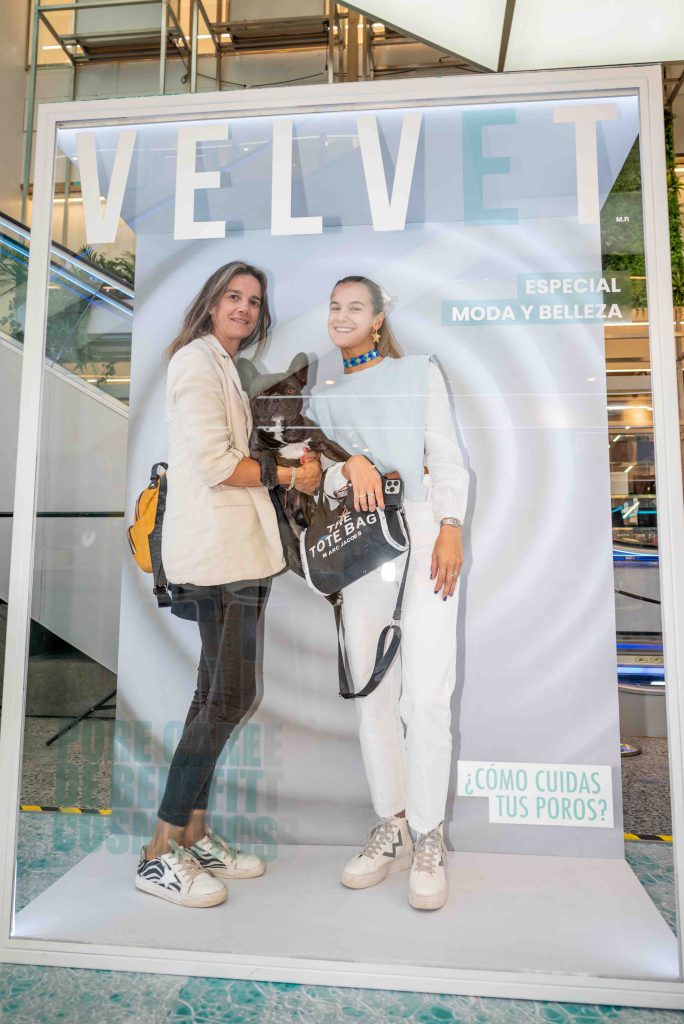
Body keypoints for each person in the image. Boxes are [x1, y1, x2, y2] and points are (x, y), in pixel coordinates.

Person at [135, 261, 321, 908]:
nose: (243, 307)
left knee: (214, 695)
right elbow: (218, 465)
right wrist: (288, 475)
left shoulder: (220, 364)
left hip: (239, 555)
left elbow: (228, 452)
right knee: (229, 696)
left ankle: (192, 831)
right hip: (219, 560)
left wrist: (284, 462)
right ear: (210, 304)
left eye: (253, 300)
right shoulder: (194, 363)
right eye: (233, 297)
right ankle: (160, 851)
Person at [307, 275, 469, 911]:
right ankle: (392, 824)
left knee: (427, 693)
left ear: (378, 320)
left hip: (426, 534)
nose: (342, 316)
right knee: (373, 692)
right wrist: (345, 464)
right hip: (360, 549)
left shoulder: (418, 372)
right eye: (334, 306)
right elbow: (316, 490)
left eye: (355, 307)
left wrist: (450, 528)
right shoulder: (322, 401)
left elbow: (447, 457)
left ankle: (430, 835)